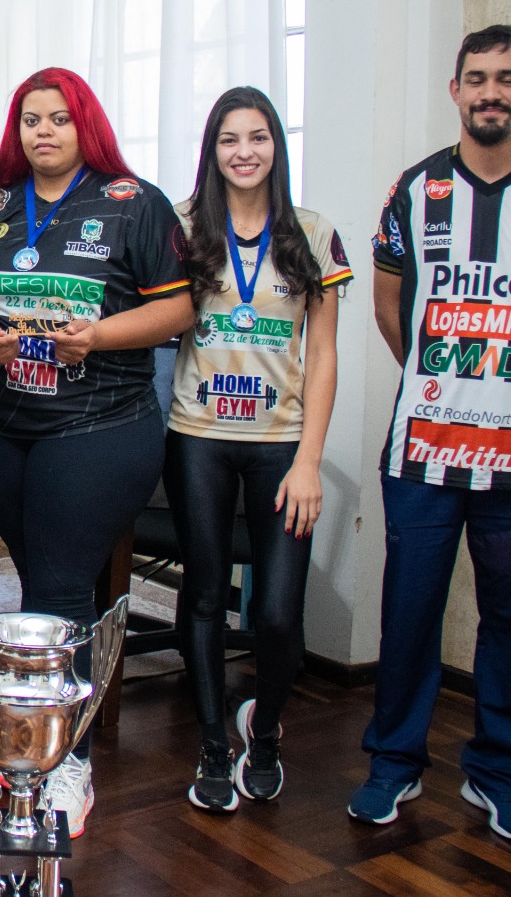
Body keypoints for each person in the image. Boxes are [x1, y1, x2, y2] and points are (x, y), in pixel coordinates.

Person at [349, 25, 511, 841]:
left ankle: (499, 773)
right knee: (411, 611)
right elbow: (392, 309)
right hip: (424, 451)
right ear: (454, 91)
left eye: (507, 78)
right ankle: (393, 764)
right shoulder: (414, 190)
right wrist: (450, 377)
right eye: (476, 78)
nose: (490, 91)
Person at [0, 67, 194, 837]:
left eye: (59, 118)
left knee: (57, 592)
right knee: (49, 589)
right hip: (2, 428)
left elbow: (177, 307)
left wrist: (95, 336)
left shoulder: (134, 203)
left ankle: (62, 765)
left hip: (98, 427)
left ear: (84, 123)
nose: (44, 132)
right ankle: (47, 741)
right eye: (31, 119)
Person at [165, 87, 352, 813]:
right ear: (211, 151)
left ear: (276, 146)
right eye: (228, 139)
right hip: (198, 439)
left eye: (258, 137)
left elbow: (326, 355)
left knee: (277, 613)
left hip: (281, 447)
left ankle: (263, 728)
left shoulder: (312, 233)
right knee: (205, 595)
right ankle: (214, 742)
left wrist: (310, 460)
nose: (244, 151)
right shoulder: (182, 228)